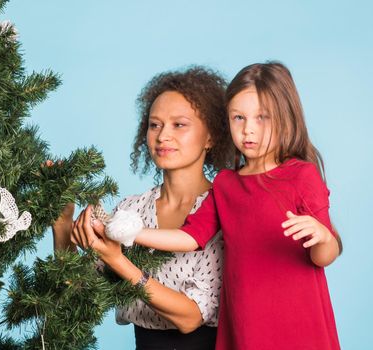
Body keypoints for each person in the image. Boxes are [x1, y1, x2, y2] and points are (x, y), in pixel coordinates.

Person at [129, 62, 341, 349]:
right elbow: (189, 237)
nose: (248, 130)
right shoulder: (226, 184)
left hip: (298, 322)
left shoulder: (301, 175)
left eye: (262, 118)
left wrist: (322, 236)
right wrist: (130, 232)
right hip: (247, 324)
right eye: (238, 118)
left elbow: (323, 256)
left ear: (285, 118)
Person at [53, 66, 233, 349]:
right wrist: (62, 226)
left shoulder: (223, 211)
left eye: (179, 124)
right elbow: (79, 294)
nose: (162, 136)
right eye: (155, 124)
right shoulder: (131, 210)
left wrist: (118, 261)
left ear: (211, 136)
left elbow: (191, 317)